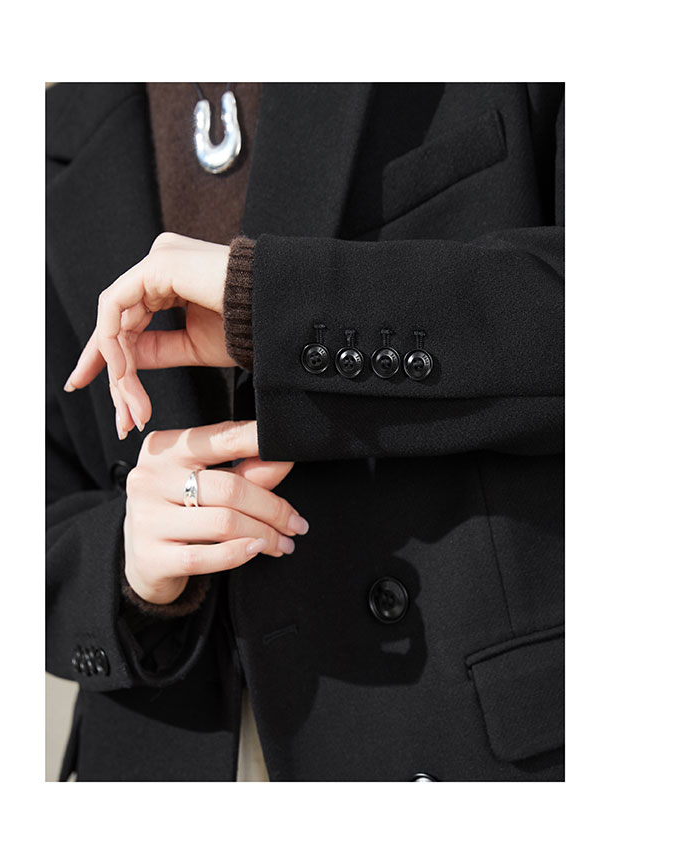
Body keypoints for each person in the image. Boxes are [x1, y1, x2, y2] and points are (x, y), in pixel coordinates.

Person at [46, 82, 565, 781]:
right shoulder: (52, 130)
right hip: (164, 750)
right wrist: (125, 562)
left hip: (454, 729)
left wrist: (275, 303)